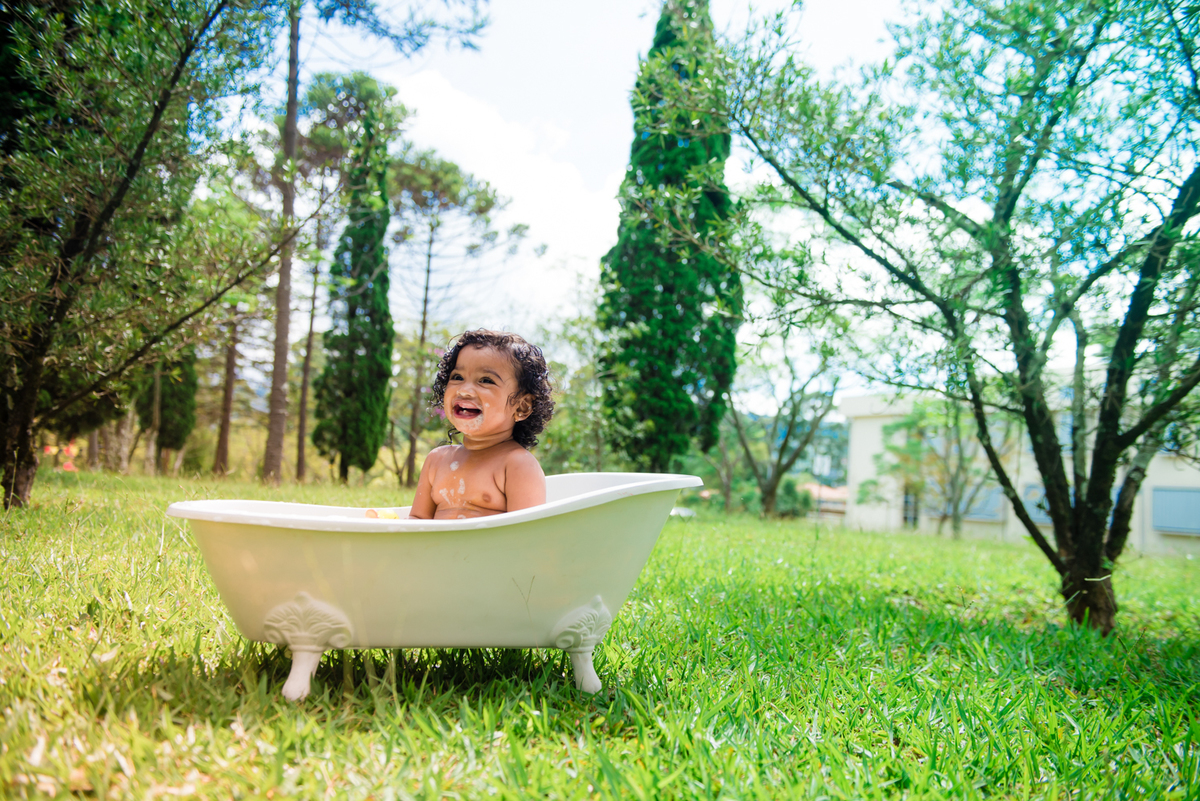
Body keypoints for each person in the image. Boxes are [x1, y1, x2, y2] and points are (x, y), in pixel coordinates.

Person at [407, 329, 554, 519]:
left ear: (522, 407)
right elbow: (417, 520)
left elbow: (526, 535)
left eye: (486, 380)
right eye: (457, 377)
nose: (464, 390)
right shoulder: (436, 460)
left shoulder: (517, 464)